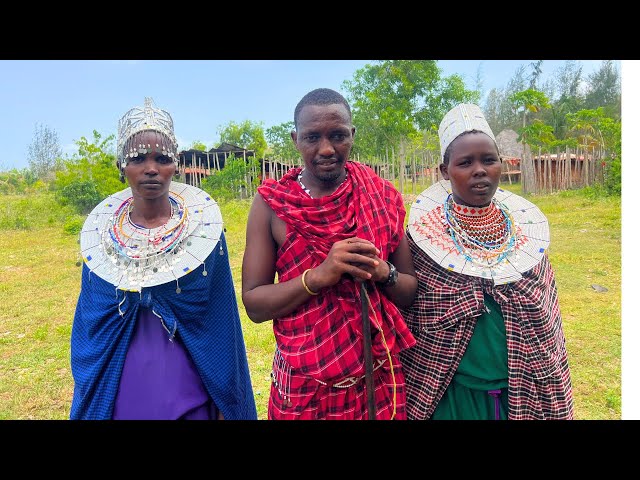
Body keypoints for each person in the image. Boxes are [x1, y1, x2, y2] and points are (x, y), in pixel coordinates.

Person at [70, 97, 257, 420]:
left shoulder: (205, 235)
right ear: (121, 168)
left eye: (162, 158)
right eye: (138, 158)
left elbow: (221, 321)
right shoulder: (100, 241)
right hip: (122, 383)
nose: (151, 168)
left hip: (192, 382)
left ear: (177, 165)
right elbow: (92, 322)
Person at [241, 88, 418, 420]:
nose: (326, 149)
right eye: (312, 137)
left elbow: (408, 291)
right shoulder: (273, 205)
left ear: (352, 135)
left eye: (338, 135)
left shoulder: (379, 195)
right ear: (295, 139)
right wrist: (317, 277)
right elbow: (254, 303)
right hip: (303, 389)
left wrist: (383, 272)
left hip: (377, 381)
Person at [399, 103, 574, 420]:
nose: (479, 170)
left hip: (522, 391)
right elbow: (412, 309)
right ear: (444, 171)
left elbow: (546, 316)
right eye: (465, 162)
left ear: (501, 165)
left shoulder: (527, 239)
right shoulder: (422, 242)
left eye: (488, 160)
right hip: (449, 394)